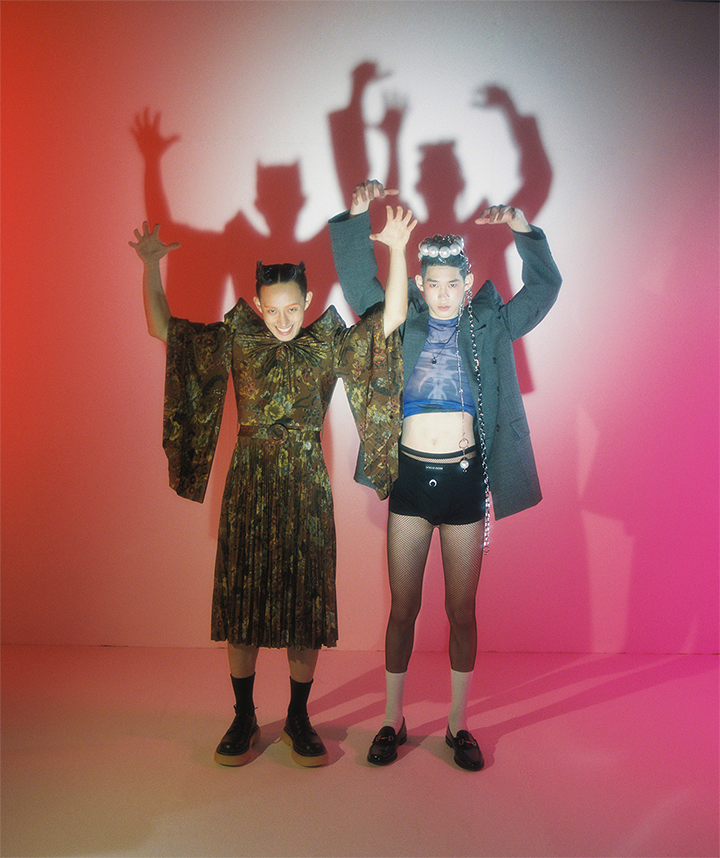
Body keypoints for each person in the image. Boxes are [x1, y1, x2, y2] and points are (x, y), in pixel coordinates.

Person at [129, 203, 416, 767]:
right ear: (259, 304)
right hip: (249, 486)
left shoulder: (326, 343)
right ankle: (243, 716)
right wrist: (149, 266)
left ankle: (298, 719)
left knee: (304, 604)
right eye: (273, 309)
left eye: (292, 308)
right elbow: (164, 329)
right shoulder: (239, 337)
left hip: (306, 486)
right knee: (244, 600)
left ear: (306, 302)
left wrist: (400, 253)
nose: (283, 320)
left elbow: (390, 322)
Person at [328, 180, 561, 771]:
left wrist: (523, 230)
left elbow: (544, 290)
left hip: (464, 485)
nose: (441, 294)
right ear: (420, 283)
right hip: (409, 484)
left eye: (452, 284)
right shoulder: (400, 319)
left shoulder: (489, 324)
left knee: (462, 611)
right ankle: (392, 718)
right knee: (401, 609)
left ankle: (458, 724)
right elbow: (358, 286)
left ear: (466, 281)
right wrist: (357, 216)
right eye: (431, 284)